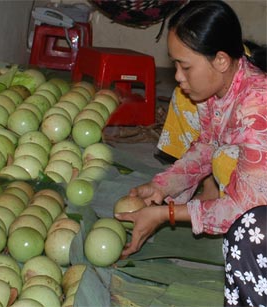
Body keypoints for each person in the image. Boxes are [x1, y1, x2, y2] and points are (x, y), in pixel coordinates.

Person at [114, 1, 267, 306]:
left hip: (257, 213)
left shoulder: (257, 108)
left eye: (185, 67)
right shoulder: (222, 88)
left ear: (221, 60)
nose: (178, 77)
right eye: (175, 65)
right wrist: (162, 186)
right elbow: (206, 147)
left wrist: (165, 214)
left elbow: (244, 208)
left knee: (247, 234)